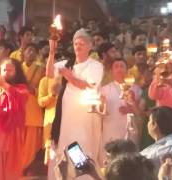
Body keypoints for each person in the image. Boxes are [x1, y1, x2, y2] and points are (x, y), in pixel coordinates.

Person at [47, 28, 104, 180]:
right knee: (66, 146)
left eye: (82, 43)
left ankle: (83, 177)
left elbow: (89, 86)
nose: (78, 46)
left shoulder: (96, 66)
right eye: (76, 43)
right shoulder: (68, 63)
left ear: (90, 46)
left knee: (82, 147)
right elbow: (49, 73)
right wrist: (52, 52)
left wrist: (70, 77)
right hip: (67, 114)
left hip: (85, 115)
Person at [99, 59, 143, 164]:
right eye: (116, 66)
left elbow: (141, 113)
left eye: (122, 66)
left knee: (130, 162)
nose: (119, 69)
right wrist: (102, 106)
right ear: (111, 71)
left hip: (130, 131)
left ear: (127, 70)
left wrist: (131, 107)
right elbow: (100, 112)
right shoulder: (104, 89)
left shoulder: (136, 89)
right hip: (110, 130)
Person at [141, 106, 172, 173]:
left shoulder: (169, 148)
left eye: (149, 120)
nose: (147, 124)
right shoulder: (171, 144)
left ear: (154, 125)